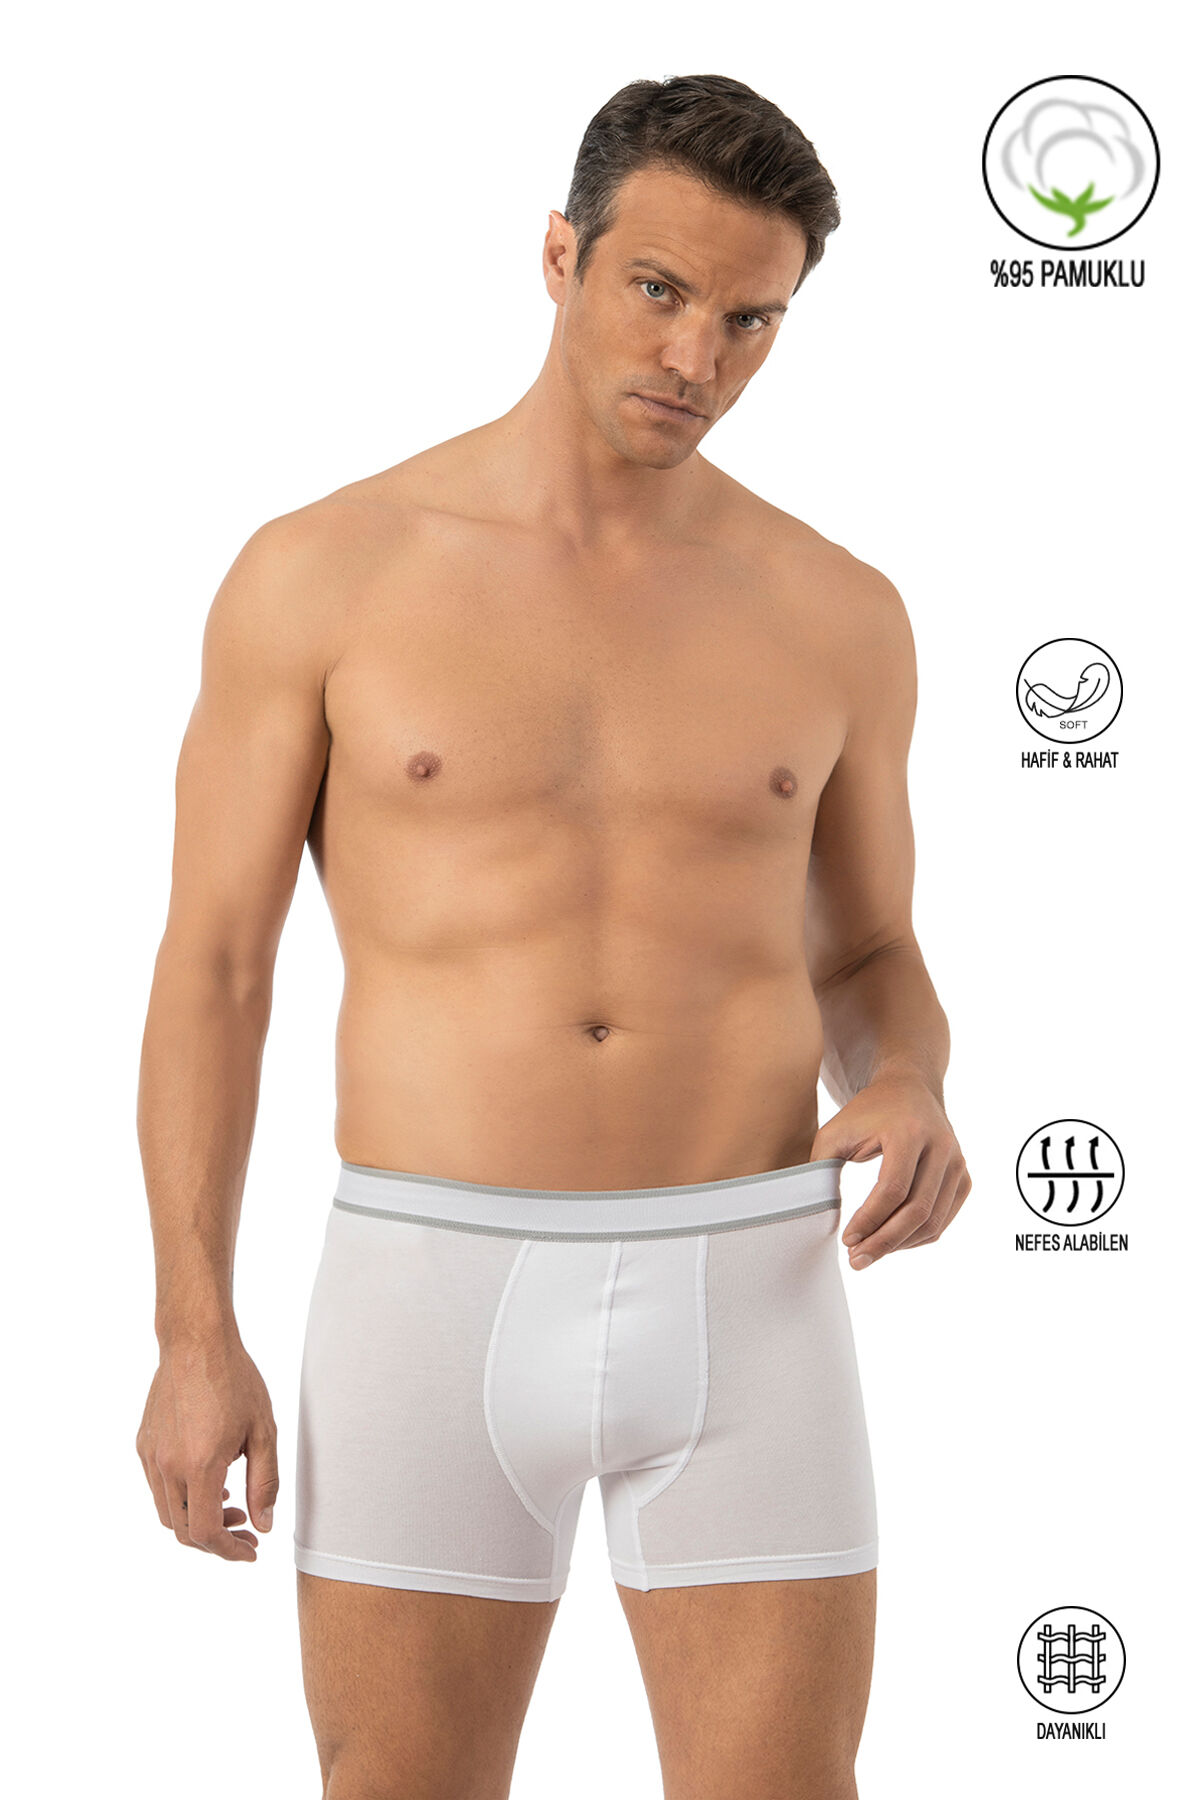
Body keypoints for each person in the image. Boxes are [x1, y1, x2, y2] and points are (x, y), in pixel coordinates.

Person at [136, 72, 970, 1800]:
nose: (696, 357)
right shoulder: (324, 574)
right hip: (428, 1281)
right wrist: (192, 1330)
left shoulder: (839, 612)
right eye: (659, 291)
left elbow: (870, 950)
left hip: (751, 1287)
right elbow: (216, 971)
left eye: (750, 320)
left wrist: (908, 1075)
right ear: (559, 257)